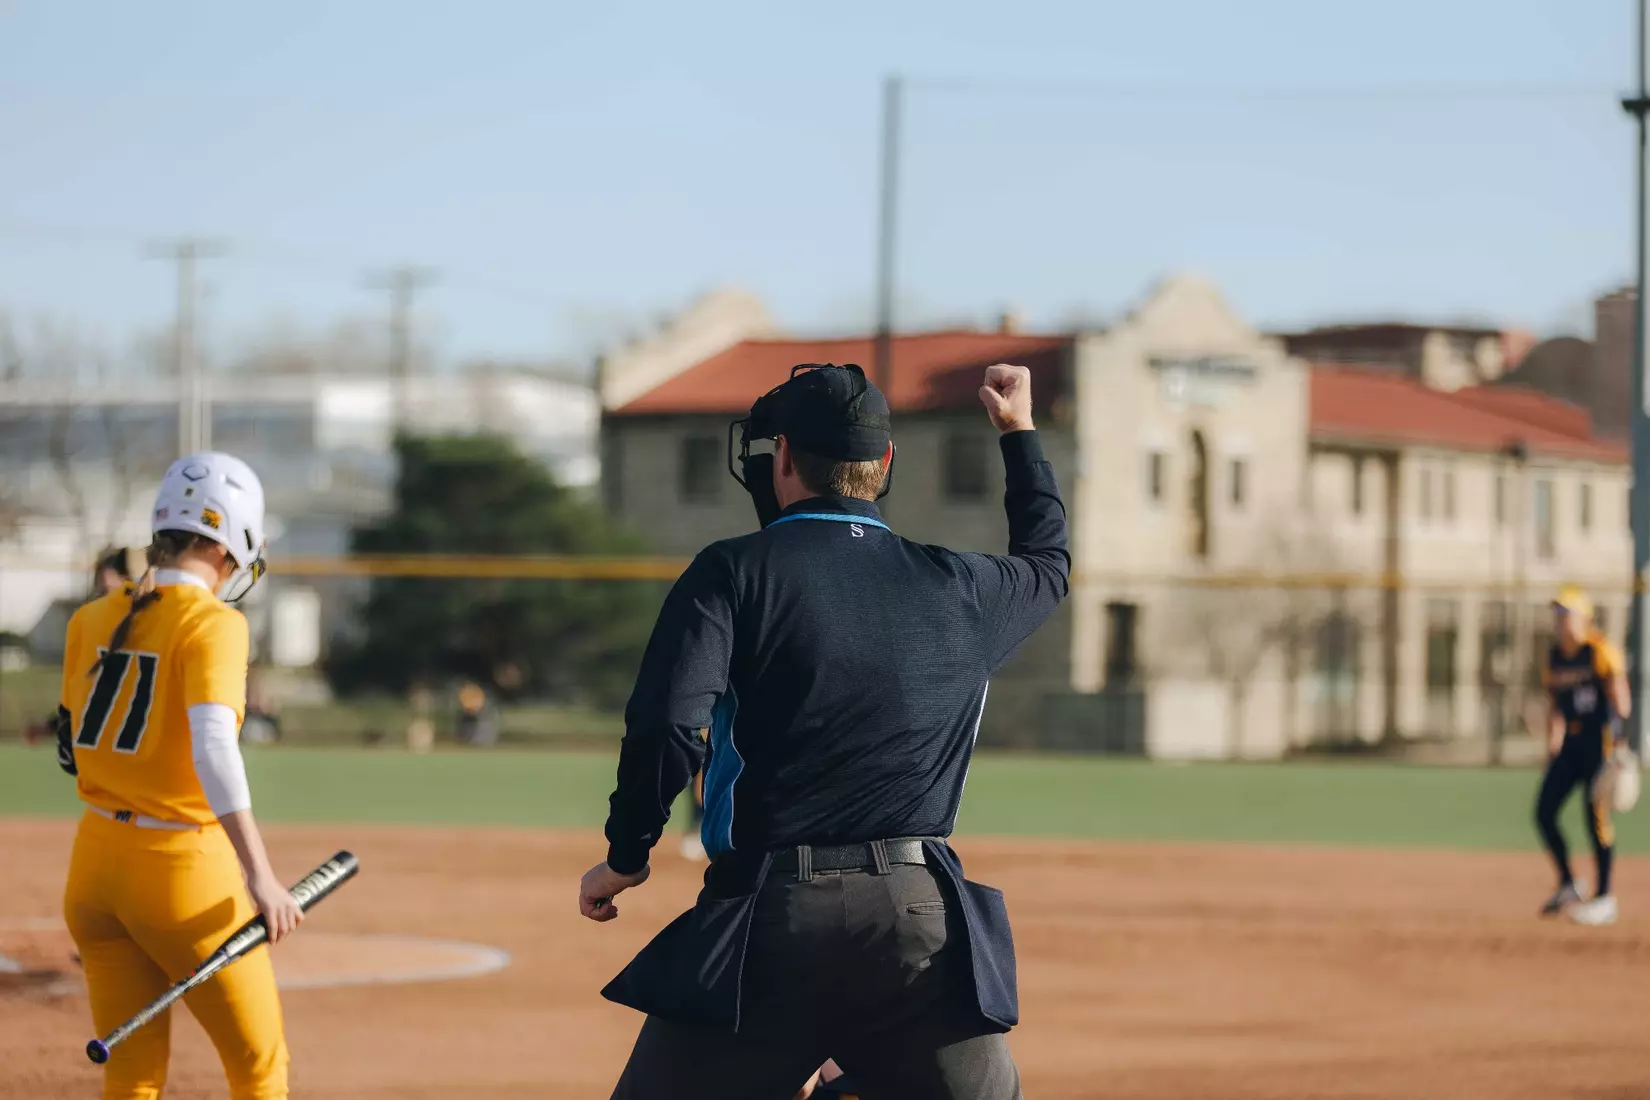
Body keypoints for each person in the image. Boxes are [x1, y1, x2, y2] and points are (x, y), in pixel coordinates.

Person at [580, 362, 1067, 1099]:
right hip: (920, 918)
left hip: (774, 922)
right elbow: (1049, 563)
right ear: (886, 465)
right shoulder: (960, 585)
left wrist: (627, 853)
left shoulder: (734, 571)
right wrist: (1018, 433)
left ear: (780, 460)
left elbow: (669, 724)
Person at [55, 451, 302, 1099]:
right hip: (178, 874)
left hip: (94, 867)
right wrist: (260, 874)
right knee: (259, 1067)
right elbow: (214, 745)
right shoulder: (213, 624)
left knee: (132, 1074)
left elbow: (72, 746)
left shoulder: (91, 618)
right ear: (234, 545)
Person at [1535, 584, 1632, 926]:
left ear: (1584, 618)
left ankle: (1605, 898)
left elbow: (1621, 700)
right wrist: (1553, 744)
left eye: (1567, 614)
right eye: (1558, 614)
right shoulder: (1555, 656)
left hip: (1600, 745)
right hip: (1572, 746)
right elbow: (1555, 707)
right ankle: (1568, 883)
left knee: (1597, 821)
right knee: (1544, 812)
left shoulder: (1599, 651)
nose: (1561, 621)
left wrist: (1621, 748)